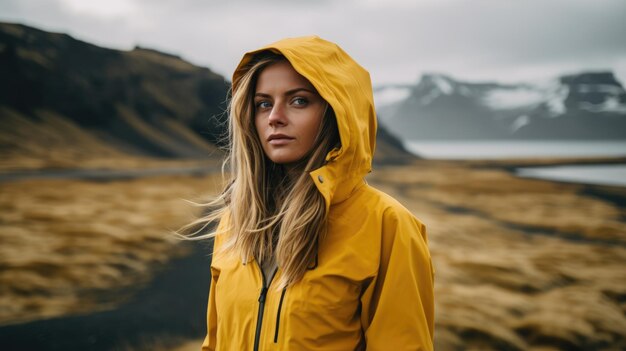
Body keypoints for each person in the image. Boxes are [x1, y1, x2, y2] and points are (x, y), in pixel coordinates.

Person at [190, 36, 434, 350]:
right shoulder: (235, 222)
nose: (274, 117)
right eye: (263, 103)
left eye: (299, 101)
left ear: (337, 113)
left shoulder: (387, 225)